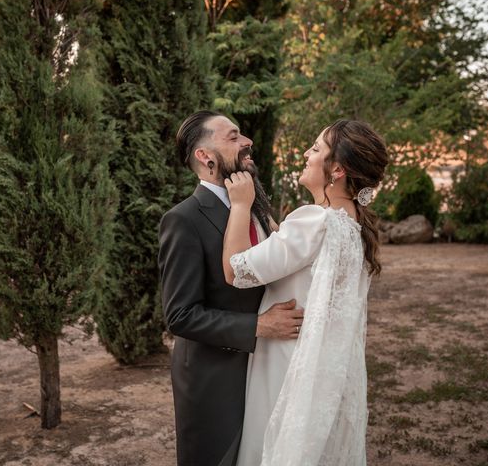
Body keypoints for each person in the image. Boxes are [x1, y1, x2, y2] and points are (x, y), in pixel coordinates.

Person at [223, 119, 389, 466]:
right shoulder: (353, 225)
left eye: (315, 149)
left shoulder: (315, 220)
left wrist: (240, 205)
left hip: (286, 366)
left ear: (338, 169)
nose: (306, 153)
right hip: (324, 371)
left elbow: (236, 270)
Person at [158, 111, 304, 466]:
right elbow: (180, 315)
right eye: (233, 137)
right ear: (205, 157)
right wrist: (258, 326)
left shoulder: (255, 207)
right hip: (215, 380)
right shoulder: (184, 219)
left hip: (267, 369)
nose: (247, 142)